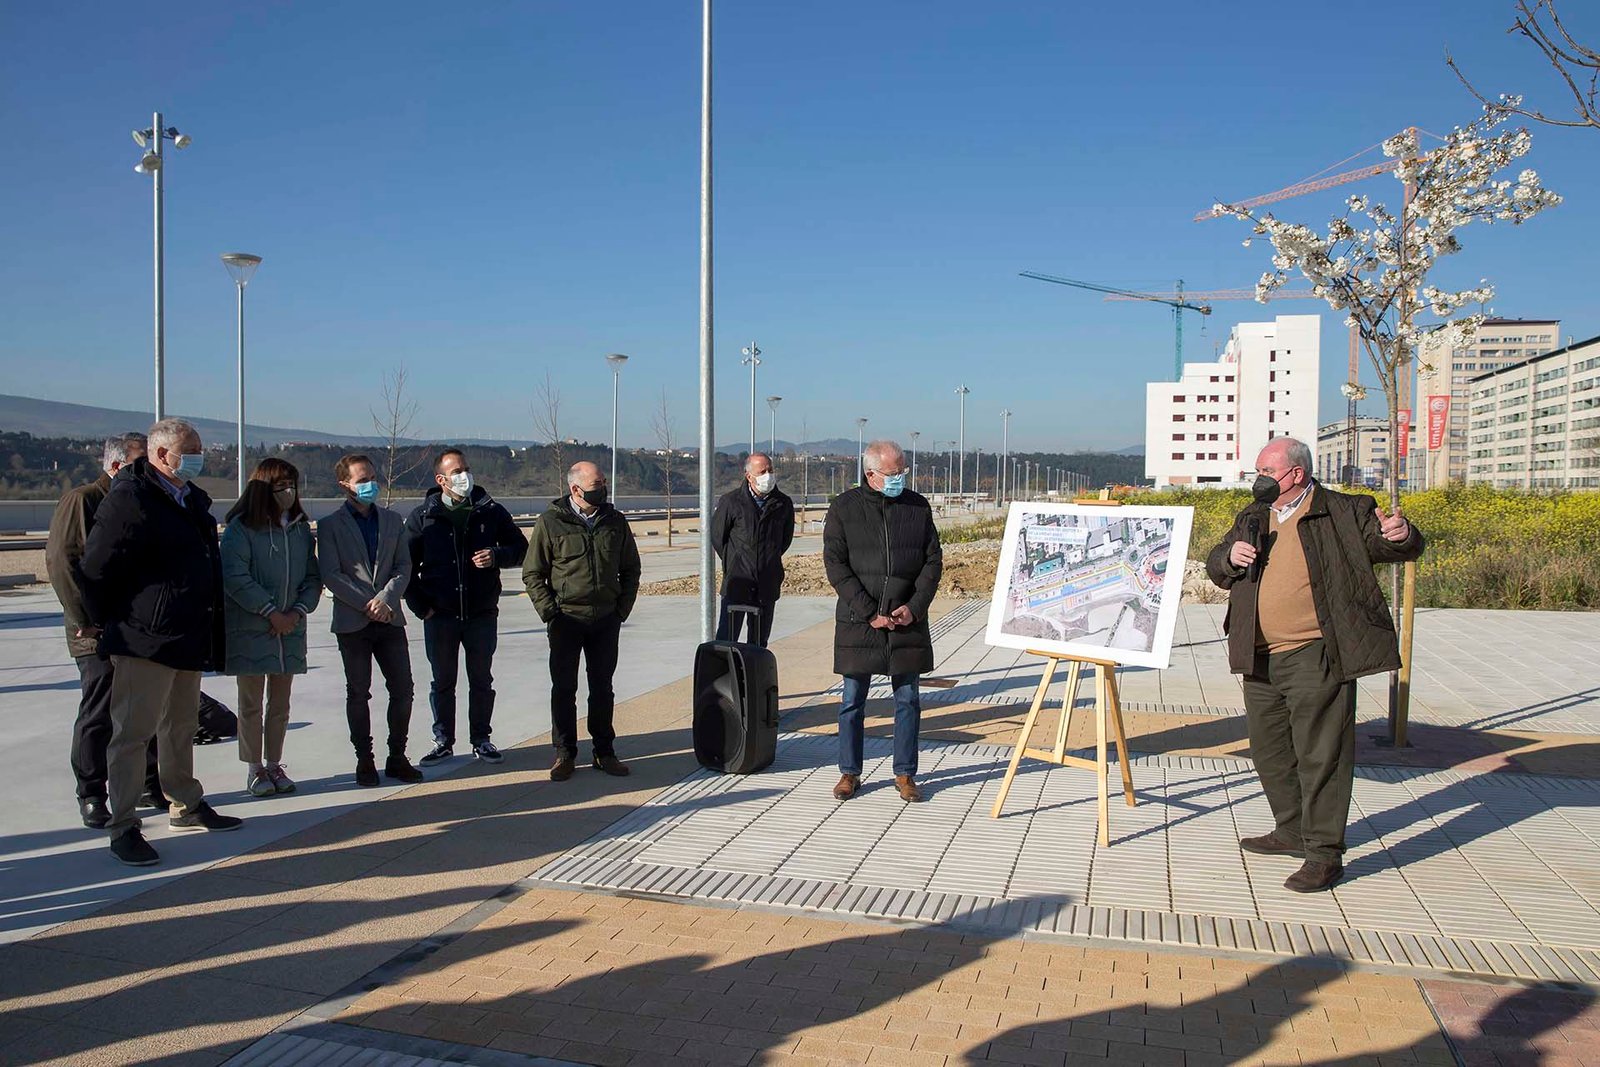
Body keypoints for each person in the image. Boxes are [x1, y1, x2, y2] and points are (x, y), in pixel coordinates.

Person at [1207, 436, 1425, 894]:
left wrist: (1401, 534)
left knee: (1322, 755)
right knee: (1270, 751)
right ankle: (1290, 830)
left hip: (1316, 651)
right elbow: (1216, 565)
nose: (1259, 479)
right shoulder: (1253, 516)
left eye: (1267, 471)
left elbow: (1392, 546)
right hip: (1258, 653)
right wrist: (1228, 558)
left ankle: (1324, 854)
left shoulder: (1344, 510)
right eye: (1257, 471)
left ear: (1296, 474)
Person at [79, 418, 243, 866]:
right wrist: (108, 621)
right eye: (190, 450)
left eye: (199, 449)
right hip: (144, 640)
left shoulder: (190, 498)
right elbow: (95, 567)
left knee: (181, 726)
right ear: (161, 454)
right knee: (132, 734)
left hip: (187, 635)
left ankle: (185, 804)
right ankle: (124, 825)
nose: (198, 457)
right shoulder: (130, 498)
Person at [45, 433, 164, 828]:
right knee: (99, 711)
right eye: (140, 463)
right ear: (115, 466)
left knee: (143, 710)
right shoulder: (83, 500)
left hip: (135, 627)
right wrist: (84, 618)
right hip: (93, 632)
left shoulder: (141, 500)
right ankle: (92, 792)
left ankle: (146, 782)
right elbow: (63, 561)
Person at [823, 440, 942, 803]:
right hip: (859, 622)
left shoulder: (917, 507)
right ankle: (849, 772)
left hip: (906, 621)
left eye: (903, 471)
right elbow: (836, 566)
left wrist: (914, 607)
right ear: (871, 474)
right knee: (852, 701)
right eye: (893, 473)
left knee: (908, 700)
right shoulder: (844, 508)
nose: (899, 479)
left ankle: (905, 774)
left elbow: (932, 562)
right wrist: (868, 611)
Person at [406, 448, 528, 767]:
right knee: (442, 682)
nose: (465, 476)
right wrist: (422, 607)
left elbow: (521, 549)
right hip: (440, 616)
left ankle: (481, 739)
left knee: (481, 680)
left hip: (480, 614)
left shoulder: (491, 511)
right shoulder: (423, 517)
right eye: (457, 472)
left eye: (466, 469)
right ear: (441, 479)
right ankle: (443, 741)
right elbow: (405, 567)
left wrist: (496, 556)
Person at [523, 461, 641, 781]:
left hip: (605, 620)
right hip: (566, 620)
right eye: (597, 484)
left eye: (603, 482)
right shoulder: (550, 522)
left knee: (602, 688)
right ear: (576, 489)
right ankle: (565, 753)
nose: (603, 488)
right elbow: (533, 573)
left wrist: (621, 611)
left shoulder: (615, 521)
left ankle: (604, 751)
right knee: (564, 688)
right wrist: (550, 613)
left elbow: (631, 569)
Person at [318, 454, 423, 788]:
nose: (370, 485)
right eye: (362, 480)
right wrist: (367, 603)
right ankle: (365, 759)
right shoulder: (330, 526)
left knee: (403, 690)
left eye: (372, 478)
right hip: (354, 622)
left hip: (389, 619)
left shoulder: (392, 521)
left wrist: (385, 600)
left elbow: (403, 566)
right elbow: (331, 574)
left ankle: (397, 755)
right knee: (358, 693)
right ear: (345, 484)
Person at [221, 458, 322, 798]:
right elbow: (235, 577)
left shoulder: (300, 530)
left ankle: (275, 762)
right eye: (280, 486)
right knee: (250, 703)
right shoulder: (241, 529)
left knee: (280, 704)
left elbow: (312, 577)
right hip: (252, 629)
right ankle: (254, 767)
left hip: (290, 630)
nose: (288, 492)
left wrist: (297, 611)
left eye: (292, 485)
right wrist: (269, 611)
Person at [710, 452, 795, 647]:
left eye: (770, 470)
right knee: (727, 640)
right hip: (737, 583)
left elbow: (784, 540)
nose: (768, 475)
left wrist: (767, 559)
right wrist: (735, 561)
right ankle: (728, 669)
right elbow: (718, 537)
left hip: (767, 584)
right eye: (762, 472)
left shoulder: (783, 504)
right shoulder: (731, 502)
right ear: (749, 476)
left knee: (758, 644)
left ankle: (753, 669)